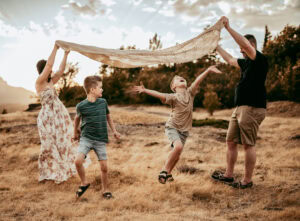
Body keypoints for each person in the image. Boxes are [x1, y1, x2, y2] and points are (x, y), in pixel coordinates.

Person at [131, 66, 222, 184]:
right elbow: (159, 94)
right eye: (178, 79)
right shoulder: (173, 97)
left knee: (177, 155)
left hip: (184, 131)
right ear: (174, 87)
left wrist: (208, 70)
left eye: (182, 78)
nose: (181, 78)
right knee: (178, 147)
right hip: (172, 127)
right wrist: (145, 90)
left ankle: (168, 174)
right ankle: (164, 170)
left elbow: (197, 81)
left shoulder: (190, 93)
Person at [211, 16, 268, 189]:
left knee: (248, 144)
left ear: (252, 46)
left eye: (244, 50)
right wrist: (216, 46)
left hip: (252, 108)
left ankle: (247, 181)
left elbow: (243, 44)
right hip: (240, 108)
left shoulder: (260, 60)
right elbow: (229, 60)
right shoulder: (245, 64)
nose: (241, 53)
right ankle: (229, 175)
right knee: (230, 141)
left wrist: (228, 28)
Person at [36, 43, 80, 183]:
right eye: (48, 68)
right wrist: (55, 48)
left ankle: (62, 170)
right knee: (49, 145)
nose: (51, 69)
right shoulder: (40, 82)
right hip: (47, 118)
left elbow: (61, 70)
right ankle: (47, 172)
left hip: (58, 117)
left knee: (61, 143)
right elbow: (49, 65)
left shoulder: (50, 82)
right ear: (43, 70)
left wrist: (66, 54)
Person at [73, 75, 121, 199]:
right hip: (86, 138)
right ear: (92, 90)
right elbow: (76, 119)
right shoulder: (81, 106)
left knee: (104, 167)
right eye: (100, 87)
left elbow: (108, 116)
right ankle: (84, 182)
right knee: (78, 161)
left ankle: (105, 190)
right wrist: (75, 133)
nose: (102, 90)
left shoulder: (103, 102)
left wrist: (114, 131)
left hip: (100, 139)